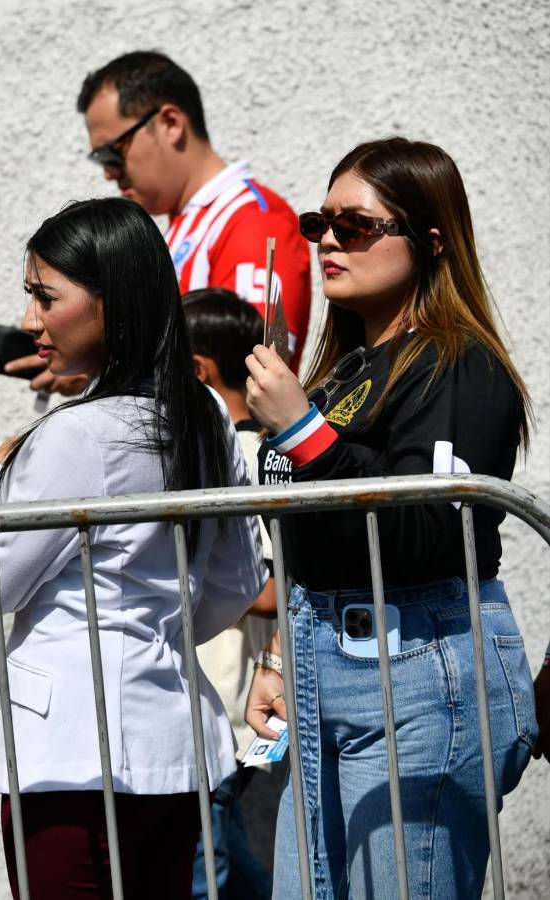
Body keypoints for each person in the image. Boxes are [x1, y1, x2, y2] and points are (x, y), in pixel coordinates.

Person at [243, 137, 535, 899]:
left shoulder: (459, 363)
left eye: (355, 226)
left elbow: (426, 533)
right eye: (319, 224)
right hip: (324, 663)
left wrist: (301, 430)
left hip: (419, 673)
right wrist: (277, 655)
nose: (328, 242)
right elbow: (305, 532)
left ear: (430, 240)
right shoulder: (339, 372)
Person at [0, 197, 265, 899]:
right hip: (170, 740)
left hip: (71, 755)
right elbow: (237, 576)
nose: (30, 319)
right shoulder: (201, 411)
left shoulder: (77, 433)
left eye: (46, 297)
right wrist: (153, 636)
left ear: (111, 303)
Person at [6, 52, 312, 396]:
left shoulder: (253, 220)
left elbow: (244, 372)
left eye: (112, 153)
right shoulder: (191, 222)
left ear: (171, 123)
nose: (108, 173)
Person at [183, 288, 276, 900]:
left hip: (225, 705)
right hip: (229, 707)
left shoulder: (241, 457)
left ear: (196, 372)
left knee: (202, 863)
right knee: (222, 846)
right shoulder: (249, 453)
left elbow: (271, 588)